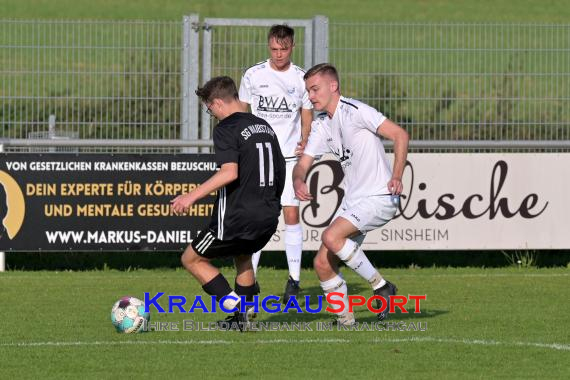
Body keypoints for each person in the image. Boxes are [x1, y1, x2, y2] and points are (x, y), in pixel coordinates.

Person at [293, 63, 409, 325]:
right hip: (354, 201)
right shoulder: (322, 125)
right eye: (308, 91)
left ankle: (381, 287)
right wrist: (299, 181)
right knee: (322, 263)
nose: (310, 96)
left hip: (379, 196)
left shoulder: (355, 111)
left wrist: (397, 176)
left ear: (333, 86)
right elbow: (302, 164)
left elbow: (400, 135)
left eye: (315, 89)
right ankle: (345, 321)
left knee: (331, 236)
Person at [171, 76, 285, 331]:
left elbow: (229, 173)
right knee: (243, 257)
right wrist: (273, 204)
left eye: (209, 107)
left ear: (219, 103)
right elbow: (280, 169)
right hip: (267, 213)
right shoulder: (264, 126)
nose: (210, 112)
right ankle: (241, 320)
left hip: (237, 216)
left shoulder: (226, 128)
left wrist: (190, 196)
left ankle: (237, 308)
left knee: (192, 259)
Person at [238, 24, 313, 303]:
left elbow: (307, 116)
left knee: (291, 215)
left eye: (283, 49)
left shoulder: (301, 78)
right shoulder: (253, 75)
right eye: (274, 49)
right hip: (260, 157)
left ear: (292, 47)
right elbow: (242, 114)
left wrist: (306, 141)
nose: (278, 54)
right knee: (256, 217)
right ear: (268, 46)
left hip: (290, 158)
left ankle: (294, 281)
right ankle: (250, 282)